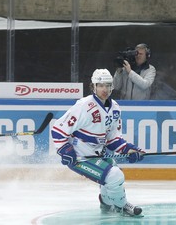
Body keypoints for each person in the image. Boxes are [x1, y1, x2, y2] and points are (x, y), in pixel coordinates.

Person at [51, 69, 144, 217]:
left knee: (112, 178)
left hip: (97, 156)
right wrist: (64, 150)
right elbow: (58, 129)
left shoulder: (115, 108)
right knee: (115, 176)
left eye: (108, 85)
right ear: (93, 86)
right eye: (101, 85)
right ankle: (122, 206)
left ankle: (106, 203)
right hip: (80, 157)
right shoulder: (84, 106)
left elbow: (113, 139)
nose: (105, 89)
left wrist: (129, 149)